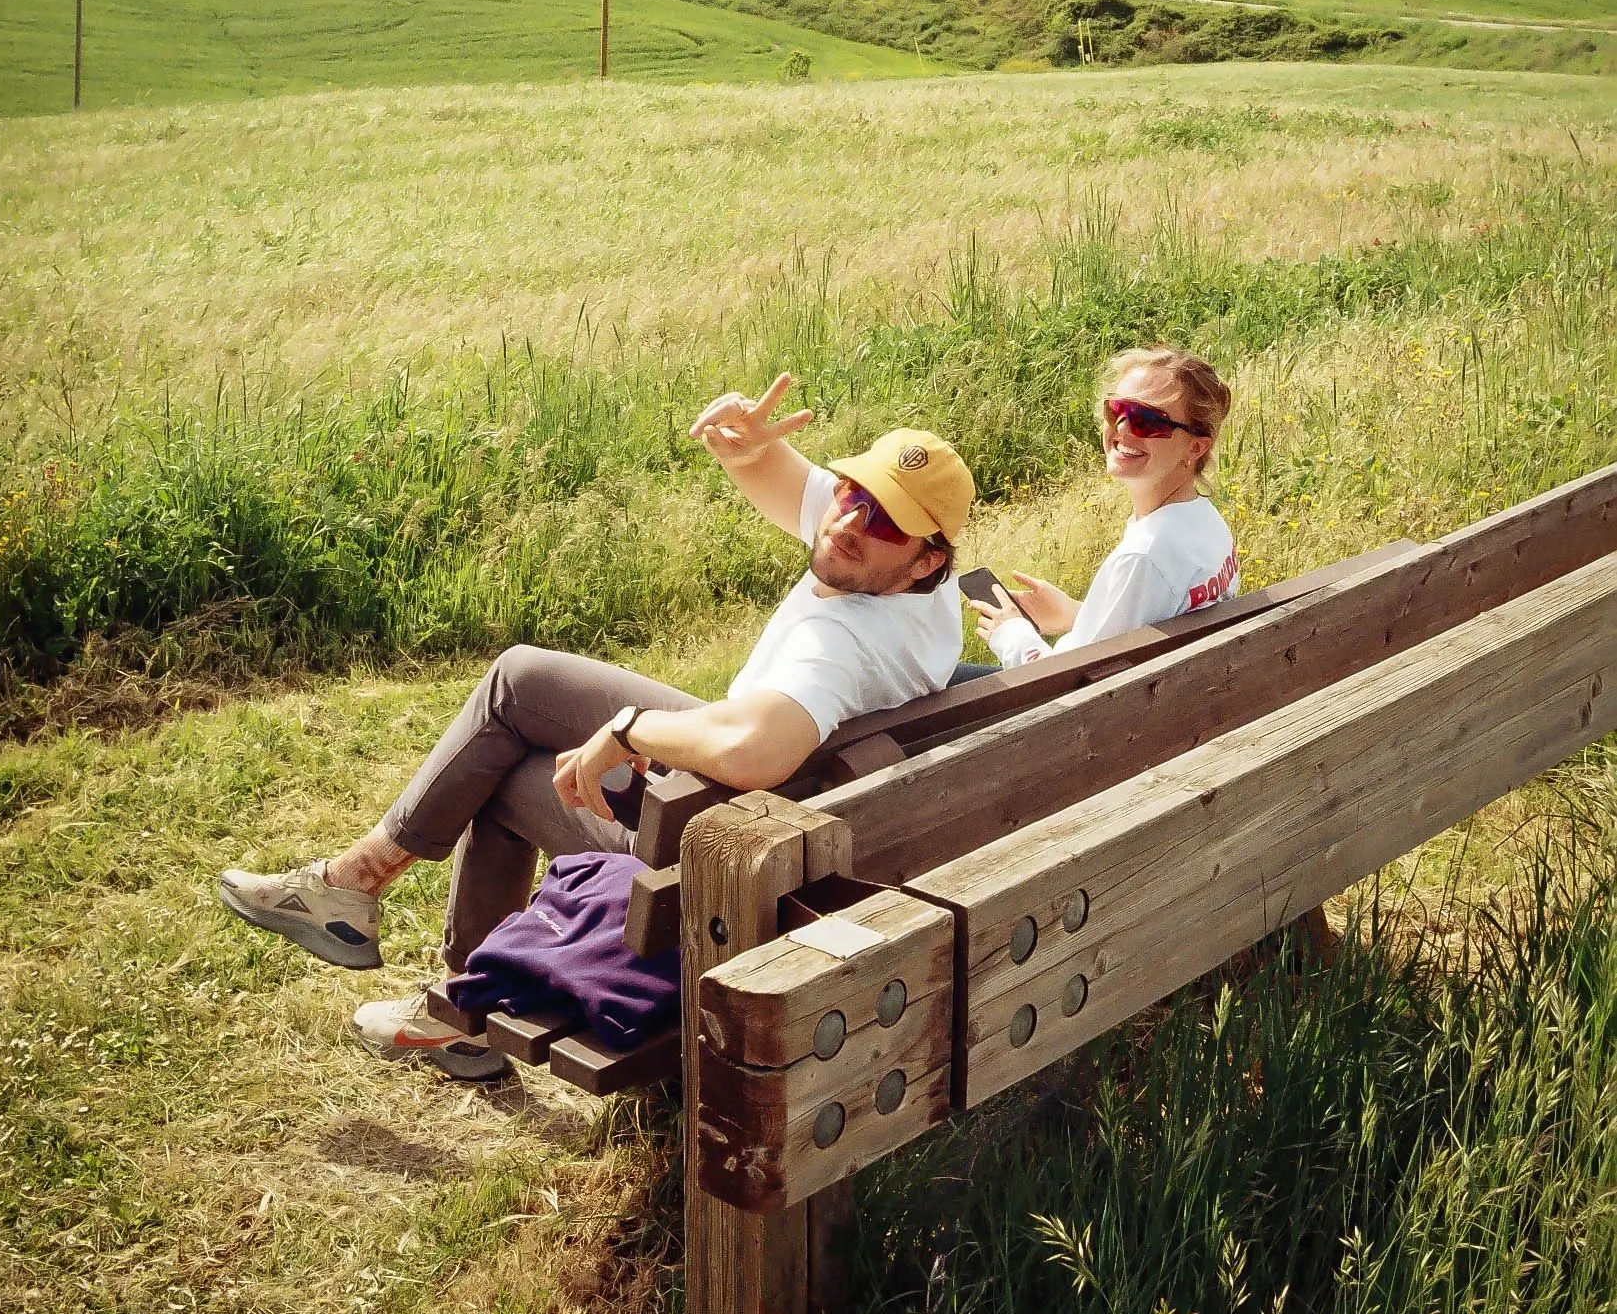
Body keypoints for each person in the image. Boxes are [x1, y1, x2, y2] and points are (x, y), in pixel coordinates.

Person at [219, 374, 974, 1078]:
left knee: (505, 763)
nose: (847, 520)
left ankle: (430, 974)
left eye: (880, 520)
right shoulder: (906, 582)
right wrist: (750, 448)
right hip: (769, 815)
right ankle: (368, 906)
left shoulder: (841, 643)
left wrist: (632, 727)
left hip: (718, 845)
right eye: (851, 491)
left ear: (921, 560)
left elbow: (754, 749)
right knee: (519, 687)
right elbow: (785, 486)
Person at [968, 347, 1236, 667]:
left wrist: (1011, 633)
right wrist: (1078, 614)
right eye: (1117, 410)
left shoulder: (1144, 556)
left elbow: (1066, 687)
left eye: (1148, 421)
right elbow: (1154, 624)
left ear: (1195, 446)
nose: (1122, 428)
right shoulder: (1205, 523)